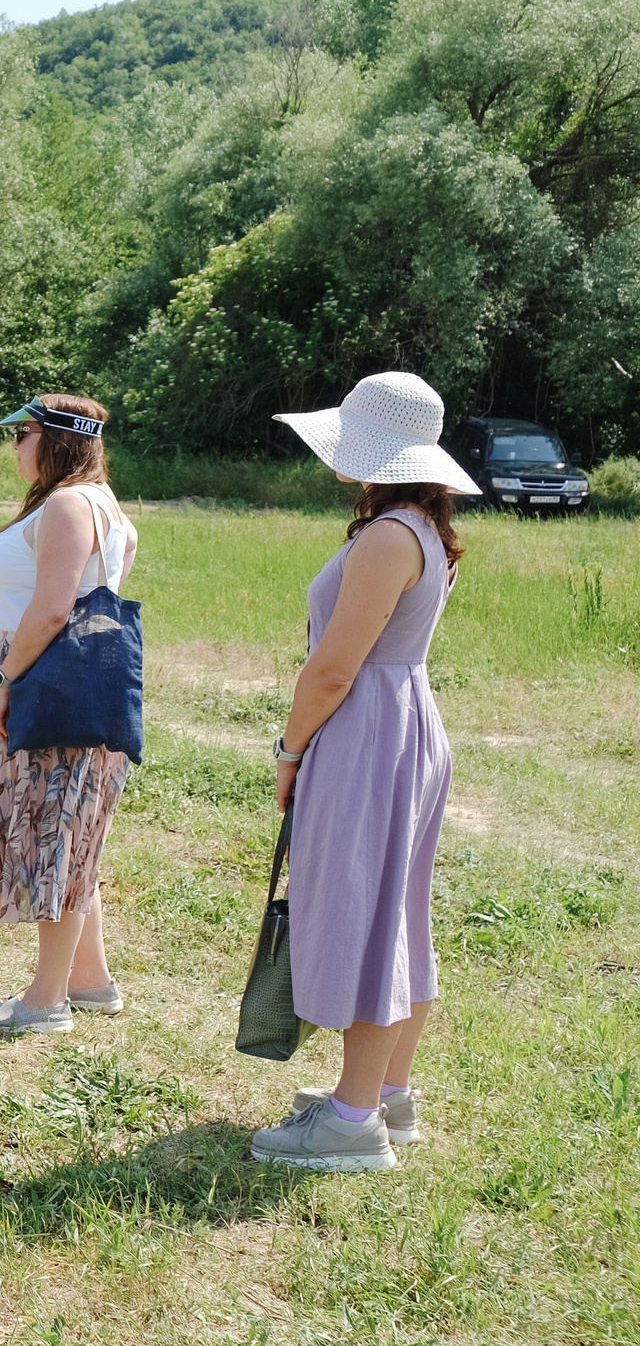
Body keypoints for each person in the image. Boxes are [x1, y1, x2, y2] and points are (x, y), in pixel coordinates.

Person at [250, 372, 473, 1171]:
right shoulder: (420, 527)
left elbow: (333, 670)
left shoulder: (387, 536)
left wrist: (289, 750)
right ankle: (386, 1094)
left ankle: (352, 1121)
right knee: (398, 911)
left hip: (369, 732)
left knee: (369, 914)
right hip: (402, 722)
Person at [0, 394, 139, 1035]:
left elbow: (56, 607)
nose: (15, 445)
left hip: (42, 673)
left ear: (57, 439)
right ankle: (90, 981)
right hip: (69, 673)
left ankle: (45, 1000)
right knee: (71, 826)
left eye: (24, 433)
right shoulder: (104, 503)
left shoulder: (68, 504)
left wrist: (4, 680)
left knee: (52, 829)